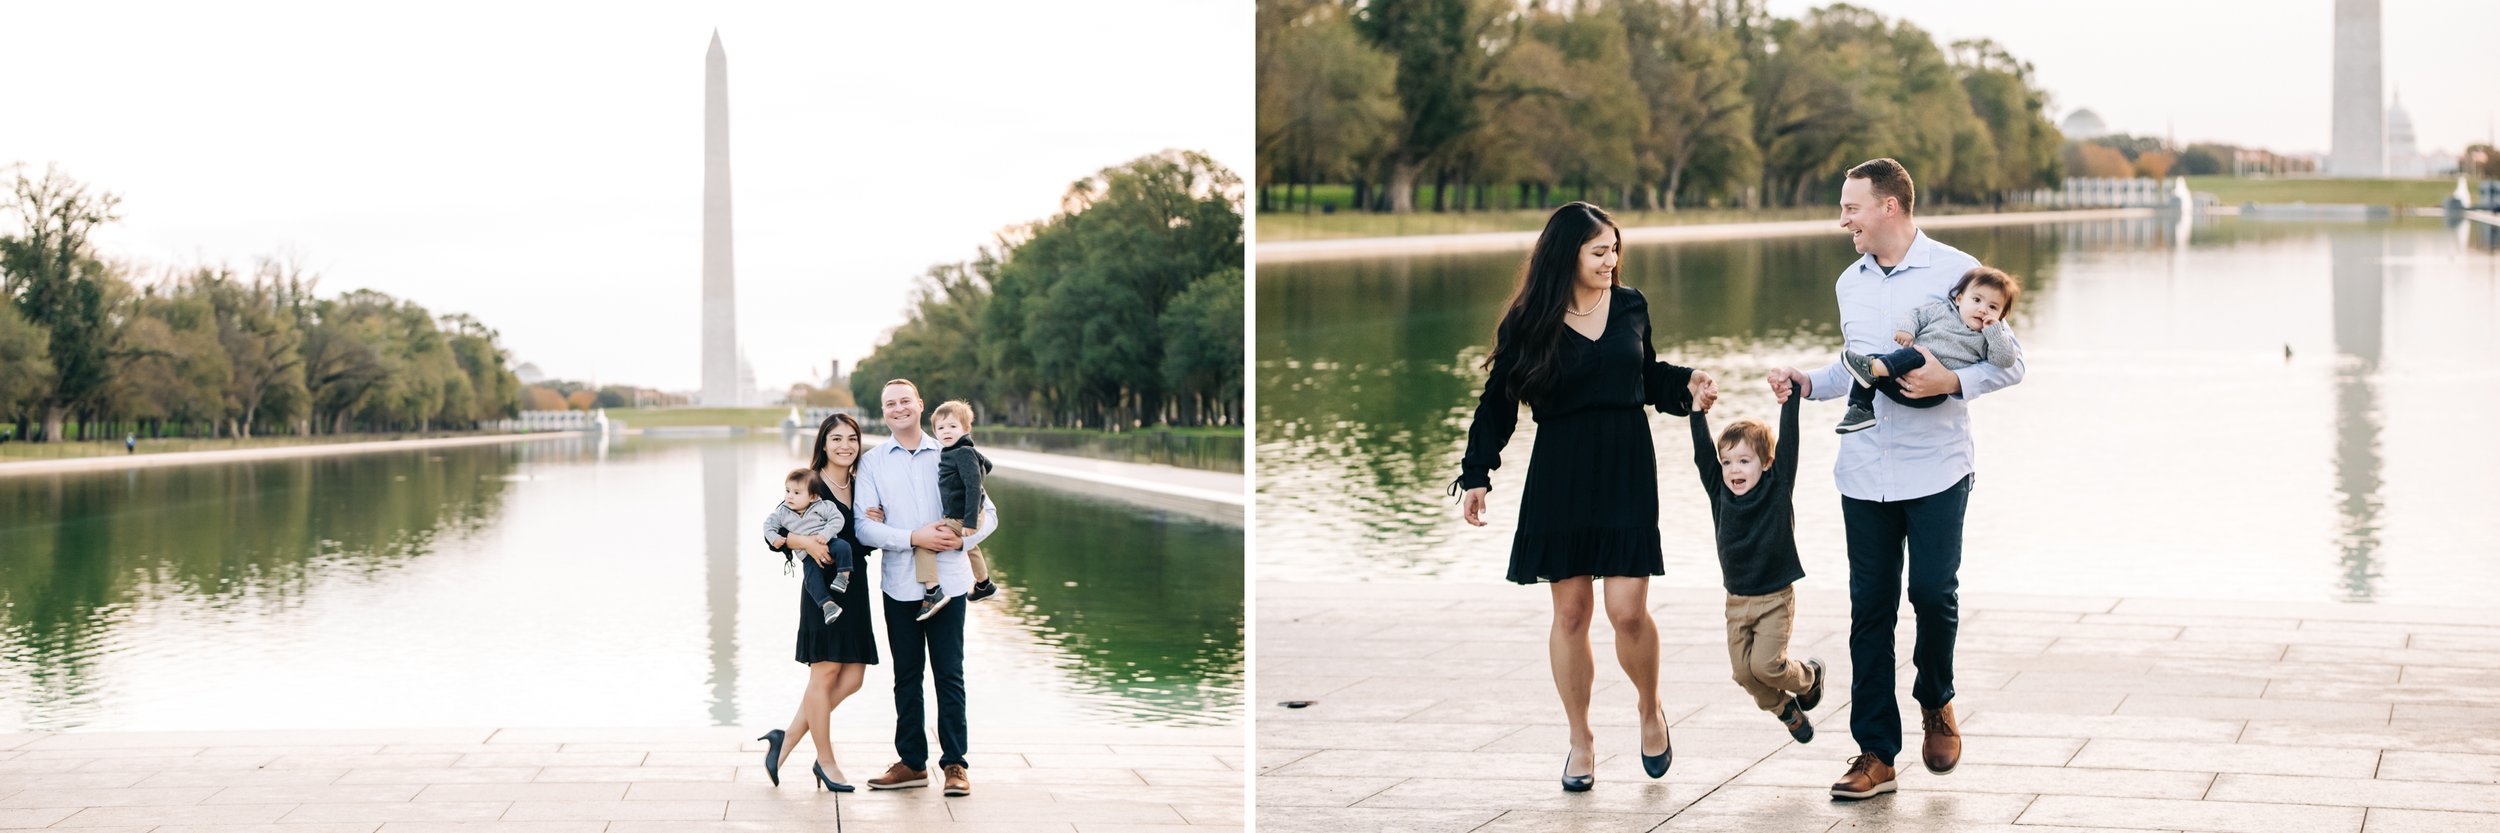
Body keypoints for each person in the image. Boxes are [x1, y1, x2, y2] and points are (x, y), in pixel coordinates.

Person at [1768, 158, 2024, 801]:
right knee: (1870, 610)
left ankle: (1936, 698)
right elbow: (1855, 368)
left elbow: (2011, 364)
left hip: (1938, 466)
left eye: (1852, 207)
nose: (1843, 218)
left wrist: (1952, 381)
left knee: (1934, 594)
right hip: (1863, 470)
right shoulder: (1848, 282)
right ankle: (1875, 753)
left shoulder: (1959, 272)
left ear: (1890, 207)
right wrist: (1807, 383)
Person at [1452, 202, 1717, 792]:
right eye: (1599, 251)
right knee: (1571, 614)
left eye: (1615, 249)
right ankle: (1580, 739)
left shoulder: (1630, 306)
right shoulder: (1528, 322)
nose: (1611, 260)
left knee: (1626, 612)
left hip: (1626, 462)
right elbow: (1498, 404)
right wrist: (1476, 475)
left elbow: (1645, 376)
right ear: (1565, 253)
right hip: (1560, 471)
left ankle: (1650, 709)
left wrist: (1688, 384)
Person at [855, 378, 997, 798]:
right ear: (884, 413)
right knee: (906, 676)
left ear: (920, 405)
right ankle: (912, 762)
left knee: (949, 674)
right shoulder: (873, 462)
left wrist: (962, 540)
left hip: (950, 583)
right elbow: (864, 526)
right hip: (899, 583)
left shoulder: (953, 450)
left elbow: (989, 514)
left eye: (905, 401)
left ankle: (955, 764)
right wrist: (912, 537)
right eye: (890, 404)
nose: (898, 408)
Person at [756, 413, 882, 794]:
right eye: (837, 438)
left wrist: (877, 519)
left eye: (852, 438)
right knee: (825, 672)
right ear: (824, 444)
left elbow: (865, 541)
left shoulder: (863, 486)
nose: (845, 446)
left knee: (854, 676)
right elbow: (774, 531)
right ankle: (826, 761)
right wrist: (806, 543)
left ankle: (788, 737)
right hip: (821, 591)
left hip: (854, 585)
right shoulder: (810, 484)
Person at [1689, 395, 1825, 743]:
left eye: (1744, 461)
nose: (1734, 469)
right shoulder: (1719, 492)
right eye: (1728, 461)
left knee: (1766, 666)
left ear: (1765, 463)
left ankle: (1809, 677)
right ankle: (1784, 709)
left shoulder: (1777, 486)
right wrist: (1695, 411)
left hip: (1775, 598)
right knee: (1742, 673)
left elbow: (1790, 441)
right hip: (1736, 602)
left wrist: (1790, 400)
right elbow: (1702, 455)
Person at [1834, 267, 2023, 433]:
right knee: (1871, 361)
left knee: (1912, 355)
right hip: (1902, 381)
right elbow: (1915, 316)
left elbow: (2005, 361)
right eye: (1976, 300)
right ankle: (1860, 410)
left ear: (2001, 315)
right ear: (1959, 299)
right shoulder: (1941, 310)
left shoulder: (1987, 338)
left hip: (1932, 394)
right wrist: (1906, 329)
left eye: (1992, 307)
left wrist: (1995, 332)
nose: (1983, 310)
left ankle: (1871, 369)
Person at [928, 400, 1000, 606]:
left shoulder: (962, 453)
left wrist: (969, 522)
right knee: (972, 547)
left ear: (966, 429)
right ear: (934, 432)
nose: (946, 431)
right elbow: (988, 464)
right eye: (940, 428)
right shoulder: (959, 450)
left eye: (953, 426)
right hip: (965, 512)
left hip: (965, 515)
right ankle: (984, 583)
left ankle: (932, 592)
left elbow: (973, 488)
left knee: (926, 544)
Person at [761, 467, 854, 624]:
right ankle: (828, 605)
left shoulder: (823, 506)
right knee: (811, 579)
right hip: (807, 555)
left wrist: (825, 534)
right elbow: (768, 526)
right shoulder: (782, 512)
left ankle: (843, 576)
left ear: (812, 496)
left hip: (827, 541)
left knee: (844, 547)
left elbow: (837, 519)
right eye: (788, 490)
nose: (789, 496)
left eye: (796, 493)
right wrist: (775, 538)